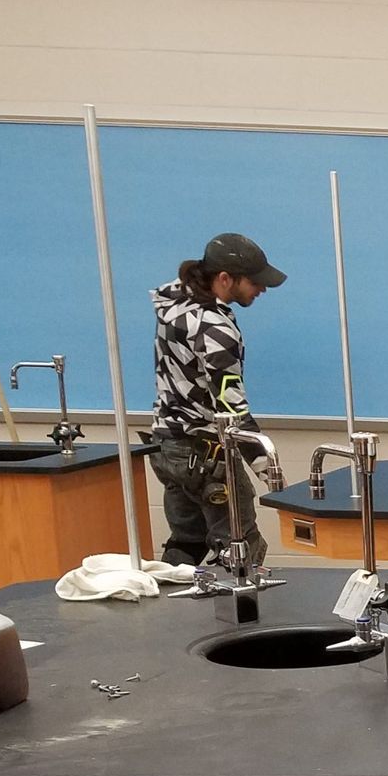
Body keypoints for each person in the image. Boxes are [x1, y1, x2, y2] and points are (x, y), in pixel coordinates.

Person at [147, 233, 286, 567]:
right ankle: (243, 618)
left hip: (167, 446)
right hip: (205, 451)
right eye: (255, 282)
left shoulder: (175, 305)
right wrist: (272, 473)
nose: (262, 289)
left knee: (186, 543)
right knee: (240, 547)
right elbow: (231, 408)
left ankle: (170, 615)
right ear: (225, 279)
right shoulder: (215, 329)